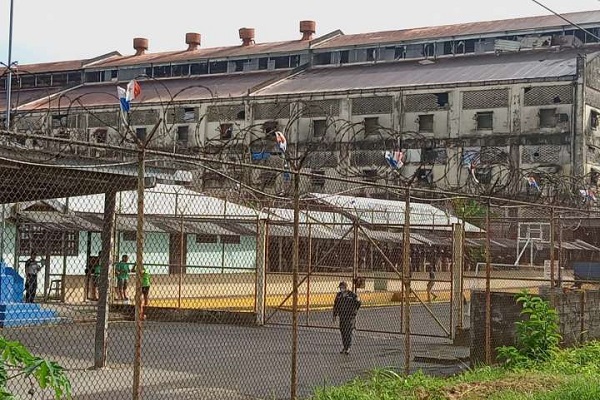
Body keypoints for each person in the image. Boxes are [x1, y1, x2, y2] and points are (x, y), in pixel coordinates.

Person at [332, 281, 361, 355]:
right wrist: (334, 315)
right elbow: (335, 305)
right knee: (343, 332)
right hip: (342, 316)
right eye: (340, 288)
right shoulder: (339, 295)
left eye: (342, 288)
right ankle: (344, 347)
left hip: (350, 317)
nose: (341, 289)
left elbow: (358, 302)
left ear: (346, 288)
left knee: (348, 332)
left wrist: (354, 311)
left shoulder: (352, 295)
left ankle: (348, 347)